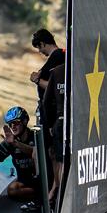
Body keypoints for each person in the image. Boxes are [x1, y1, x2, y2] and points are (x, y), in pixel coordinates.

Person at [41, 63, 66, 202]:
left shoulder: (56, 71)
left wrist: (50, 123)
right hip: (80, 121)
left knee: (60, 161)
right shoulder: (82, 65)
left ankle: (61, 198)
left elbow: (46, 101)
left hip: (60, 120)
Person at [30, 29, 65, 124]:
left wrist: (37, 80)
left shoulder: (57, 57)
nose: (40, 51)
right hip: (54, 113)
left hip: (55, 115)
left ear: (43, 43)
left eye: (39, 47)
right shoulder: (59, 56)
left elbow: (56, 86)